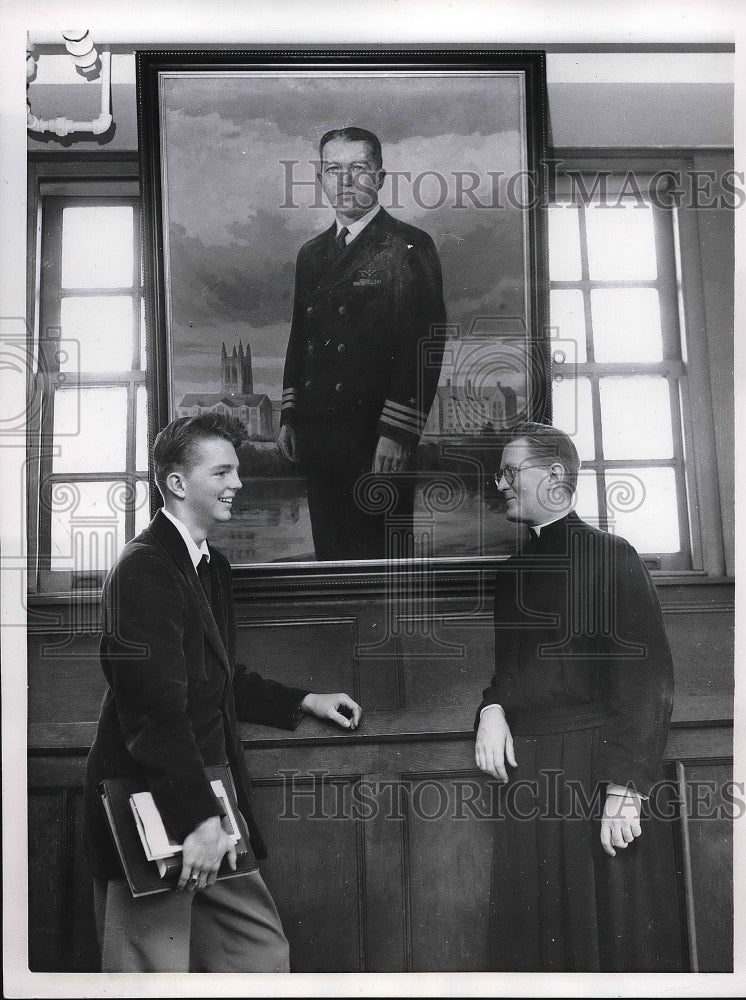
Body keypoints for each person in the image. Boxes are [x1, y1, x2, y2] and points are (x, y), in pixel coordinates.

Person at [83, 413, 362, 972]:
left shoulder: (210, 565)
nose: (238, 483)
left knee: (259, 961)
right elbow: (154, 710)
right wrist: (200, 820)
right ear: (178, 484)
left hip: (205, 795)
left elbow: (214, 679)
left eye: (237, 470)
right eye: (223, 471)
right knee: (150, 976)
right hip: (157, 803)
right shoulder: (144, 569)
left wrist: (301, 700)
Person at [474, 422, 685, 972]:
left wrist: (624, 788)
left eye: (510, 472)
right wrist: (491, 708)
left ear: (556, 476)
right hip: (533, 777)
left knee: (610, 939)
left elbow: (649, 683)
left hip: (599, 772)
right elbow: (512, 676)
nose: (500, 484)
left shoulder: (611, 556)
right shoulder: (512, 574)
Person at [277, 126, 447, 560]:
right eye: (334, 169)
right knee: (331, 563)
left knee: (383, 568)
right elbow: (301, 337)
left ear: (380, 177)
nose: (346, 180)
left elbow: (423, 344)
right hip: (318, 437)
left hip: (375, 440)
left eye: (359, 168)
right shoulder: (311, 254)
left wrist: (397, 433)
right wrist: (290, 415)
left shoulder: (409, 245)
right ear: (321, 178)